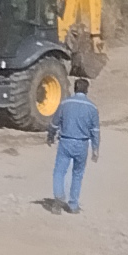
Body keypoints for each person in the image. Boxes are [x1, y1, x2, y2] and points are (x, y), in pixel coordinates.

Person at [45, 70, 100, 213]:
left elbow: (55, 123)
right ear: (86, 90)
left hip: (65, 142)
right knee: (77, 174)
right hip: (82, 144)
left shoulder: (65, 103)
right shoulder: (92, 108)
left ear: (74, 89)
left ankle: (58, 198)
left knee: (59, 172)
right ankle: (73, 205)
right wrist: (95, 149)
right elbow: (95, 130)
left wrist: (50, 136)